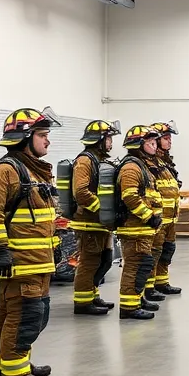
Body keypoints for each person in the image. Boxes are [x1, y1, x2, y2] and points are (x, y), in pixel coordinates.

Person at [0, 108, 61, 376]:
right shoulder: (6, 171)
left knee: (11, 312)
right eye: (42, 135)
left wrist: (54, 246)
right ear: (25, 138)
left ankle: (1, 366)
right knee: (24, 315)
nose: (48, 142)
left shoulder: (32, 171)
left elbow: (41, 219)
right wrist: (0, 250)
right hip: (18, 262)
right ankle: (13, 374)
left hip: (36, 260)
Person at [70, 120, 120, 317]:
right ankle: (82, 303)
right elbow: (81, 192)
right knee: (89, 262)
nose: (110, 142)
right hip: (89, 222)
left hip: (100, 223)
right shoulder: (85, 160)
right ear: (99, 140)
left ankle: (92, 294)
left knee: (104, 260)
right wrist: (103, 209)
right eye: (108, 138)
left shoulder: (98, 159)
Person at [116, 126, 163, 319]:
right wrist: (149, 216)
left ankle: (138, 298)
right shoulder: (131, 167)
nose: (154, 145)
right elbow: (130, 197)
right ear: (138, 145)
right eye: (150, 142)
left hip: (142, 228)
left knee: (143, 264)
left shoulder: (142, 165)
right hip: (134, 228)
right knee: (135, 265)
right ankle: (128, 307)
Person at [150, 121, 182, 296]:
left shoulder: (166, 162)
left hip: (170, 218)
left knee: (167, 251)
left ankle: (161, 282)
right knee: (154, 252)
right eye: (167, 138)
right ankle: (149, 287)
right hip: (158, 217)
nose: (170, 142)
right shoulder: (150, 162)